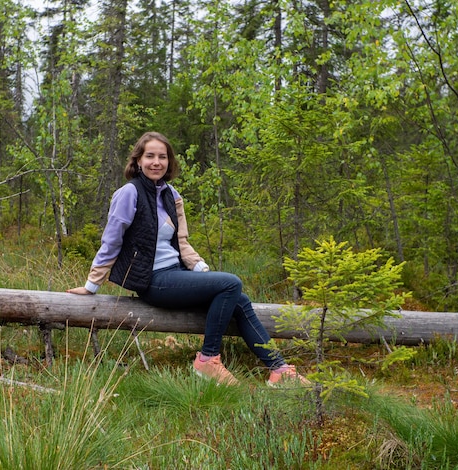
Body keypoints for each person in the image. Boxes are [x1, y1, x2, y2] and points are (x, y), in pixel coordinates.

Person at [68, 131, 309, 387]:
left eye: (162, 157)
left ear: (169, 162)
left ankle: (279, 369)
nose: (156, 162)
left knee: (238, 299)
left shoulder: (172, 195)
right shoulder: (129, 193)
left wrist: (200, 269)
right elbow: (112, 240)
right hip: (152, 281)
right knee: (231, 283)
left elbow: (181, 242)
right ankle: (207, 360)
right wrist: (92, 285)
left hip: (176, 274)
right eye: (150, 156)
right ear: (138, 160)